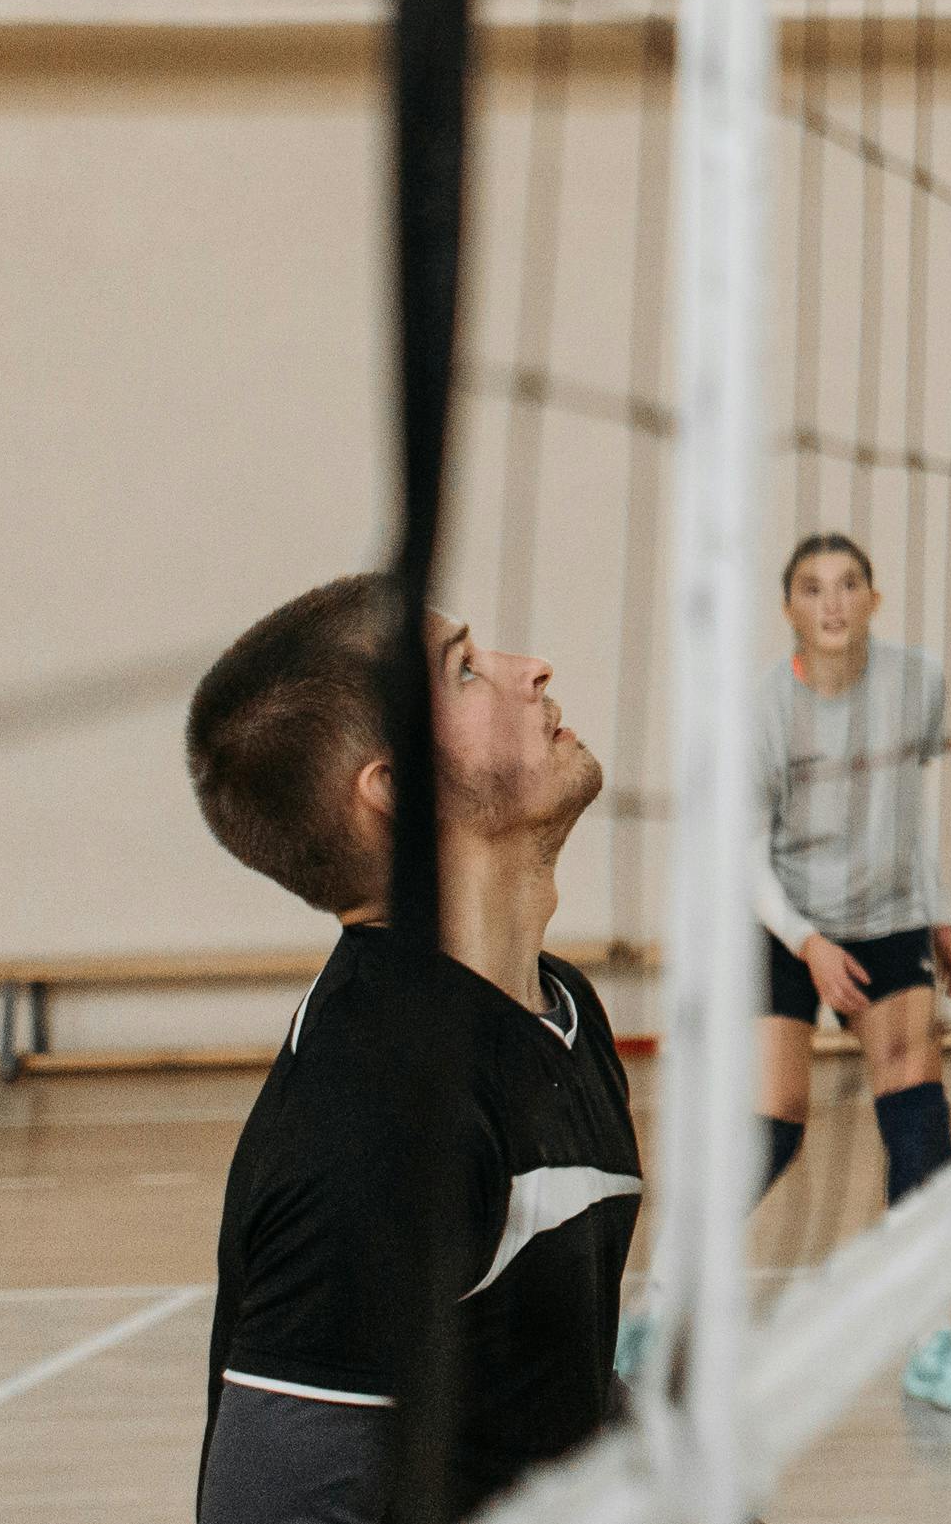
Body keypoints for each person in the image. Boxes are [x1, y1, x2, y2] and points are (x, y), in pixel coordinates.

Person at [184, 577, 636, 1522]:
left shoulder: (563, 1011)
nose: (532, 668)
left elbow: (543, 1400)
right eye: (465, 669)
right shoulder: (376, 1118)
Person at [748, 531, 951, 1416]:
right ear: (790, 612)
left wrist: (938, 911)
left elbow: (908, 809)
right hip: (787, 920)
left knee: (917, 1107)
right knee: (774, 1124)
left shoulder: (915, 682)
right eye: (813, 588)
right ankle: (662, 1305)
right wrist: (806, 942)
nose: (833, 602)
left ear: (873, 600)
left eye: (849, 584)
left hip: (889, 920)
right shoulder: (765, 708)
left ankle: (929, 1331)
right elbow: (745, 848)